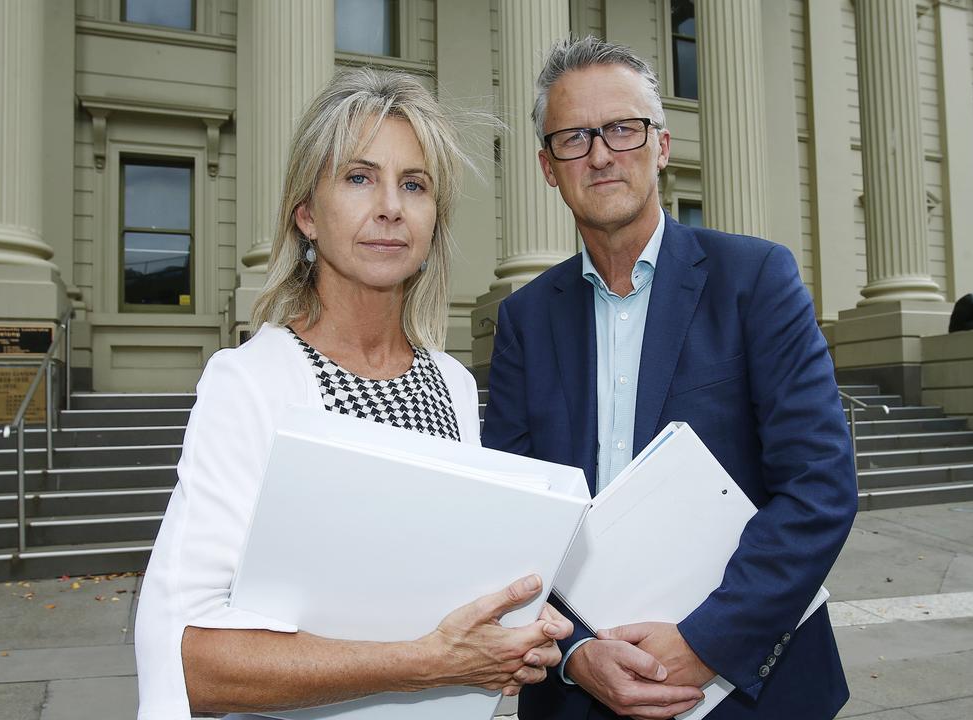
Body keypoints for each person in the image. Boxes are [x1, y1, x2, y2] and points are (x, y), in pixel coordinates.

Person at [135, 68, 572, 719]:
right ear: (307, 214)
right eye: (359, 177)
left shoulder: (451, 387)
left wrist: (516, 634)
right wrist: (426, 663)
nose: (391, 206)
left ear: (432, 226)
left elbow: (449, 593)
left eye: (414, 184)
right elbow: (188, 659)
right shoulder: (252, 383)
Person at [481, 37, 858, 720]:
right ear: (547, 166)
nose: (600, 154)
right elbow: (516, 523)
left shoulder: (756, 281)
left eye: (622, 129)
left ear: (661, 145)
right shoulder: (524, 322)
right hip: (579, 693)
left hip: (749, 692)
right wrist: (575, 654)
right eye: (573, 138)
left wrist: (705, 643)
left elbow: (819, 487)